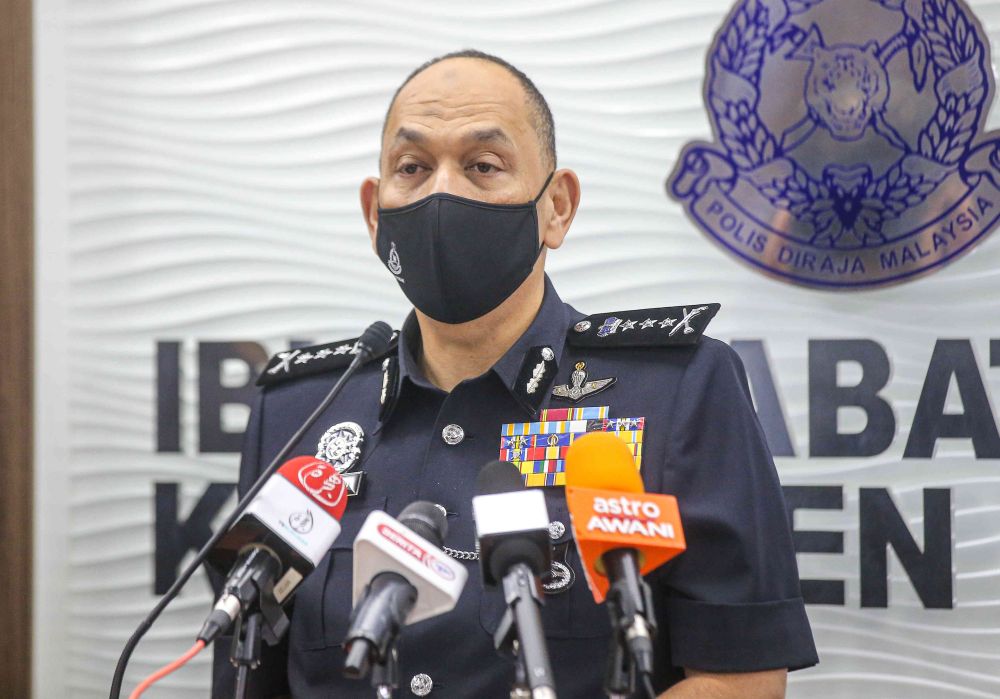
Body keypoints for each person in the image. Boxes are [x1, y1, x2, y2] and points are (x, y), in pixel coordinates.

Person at [214, 49, 818, 698]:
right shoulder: (299, 410)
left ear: (556, 207)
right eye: (413, 168)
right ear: (374, 212)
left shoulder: (678, 389)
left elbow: (739, 678)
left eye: (483, 166)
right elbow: (248, 674)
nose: (443, 192)